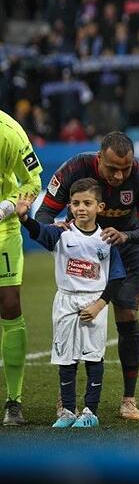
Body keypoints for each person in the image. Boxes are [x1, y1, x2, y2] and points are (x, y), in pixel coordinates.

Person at [36, 131, 139, 421]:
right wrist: (60, 231)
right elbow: (43, 217)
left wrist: (126, 235)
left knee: (127, 317)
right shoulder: (74, 168)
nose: (118, 175)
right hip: (82, 254)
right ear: (99, 158)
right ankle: (66, 400)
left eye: (124, 169)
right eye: (112, 168)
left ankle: (128, 399)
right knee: (76, 321)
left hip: (125, 248)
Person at [18, 178, 125, 428]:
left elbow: (118, 276)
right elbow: (40, 232)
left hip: (94, 303)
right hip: (65, 301)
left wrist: (100, 305)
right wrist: (25, 219)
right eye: (76, 203)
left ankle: (90, 411)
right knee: (65, 359)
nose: (81, 208)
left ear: (100, 206)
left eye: (87, 203)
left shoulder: (106, 238)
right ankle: (67, 410)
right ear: (70, 205)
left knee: (93, 357)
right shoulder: (61, 233)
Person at [0, 109, 43, 426]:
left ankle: (13, 403)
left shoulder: (9, 133)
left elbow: (32, 179)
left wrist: (6, 207)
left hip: (2, 230)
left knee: (10, 305)